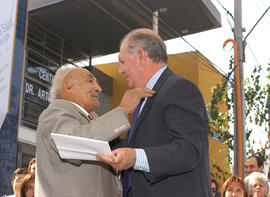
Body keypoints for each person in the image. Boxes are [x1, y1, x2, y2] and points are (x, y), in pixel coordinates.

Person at [97, 28, 212, 196]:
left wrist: (135, 157)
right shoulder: (146, 97)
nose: (120, 70)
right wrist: (99, 129)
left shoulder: (179, 88)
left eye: (122, 62)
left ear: (141, 57)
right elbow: (135, 149)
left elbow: (188, 150)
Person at [35, 67, 154, 197]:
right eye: (90, 81)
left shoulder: (87, 121)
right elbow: (74, 143)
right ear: (68, 87)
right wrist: (122, 110)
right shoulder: (55, 111)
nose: (98, 88)